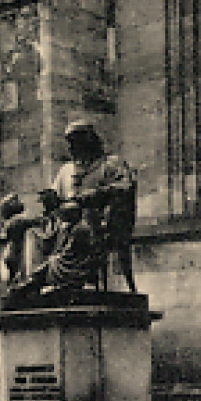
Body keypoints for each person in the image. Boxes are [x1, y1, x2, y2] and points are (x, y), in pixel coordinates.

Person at [52, 120, 137, 292]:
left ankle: (78, 282)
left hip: (101, 222)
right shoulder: (66, 170)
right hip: (66, 221)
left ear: (89, 141)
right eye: (69, 143)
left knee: (81, 230)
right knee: (37, 234)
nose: (71, 147)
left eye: (75, 142)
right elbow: (56, 197)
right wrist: (51, 201)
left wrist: (98, 193)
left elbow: (126, 186)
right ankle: (49, 280)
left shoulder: (110, 164)